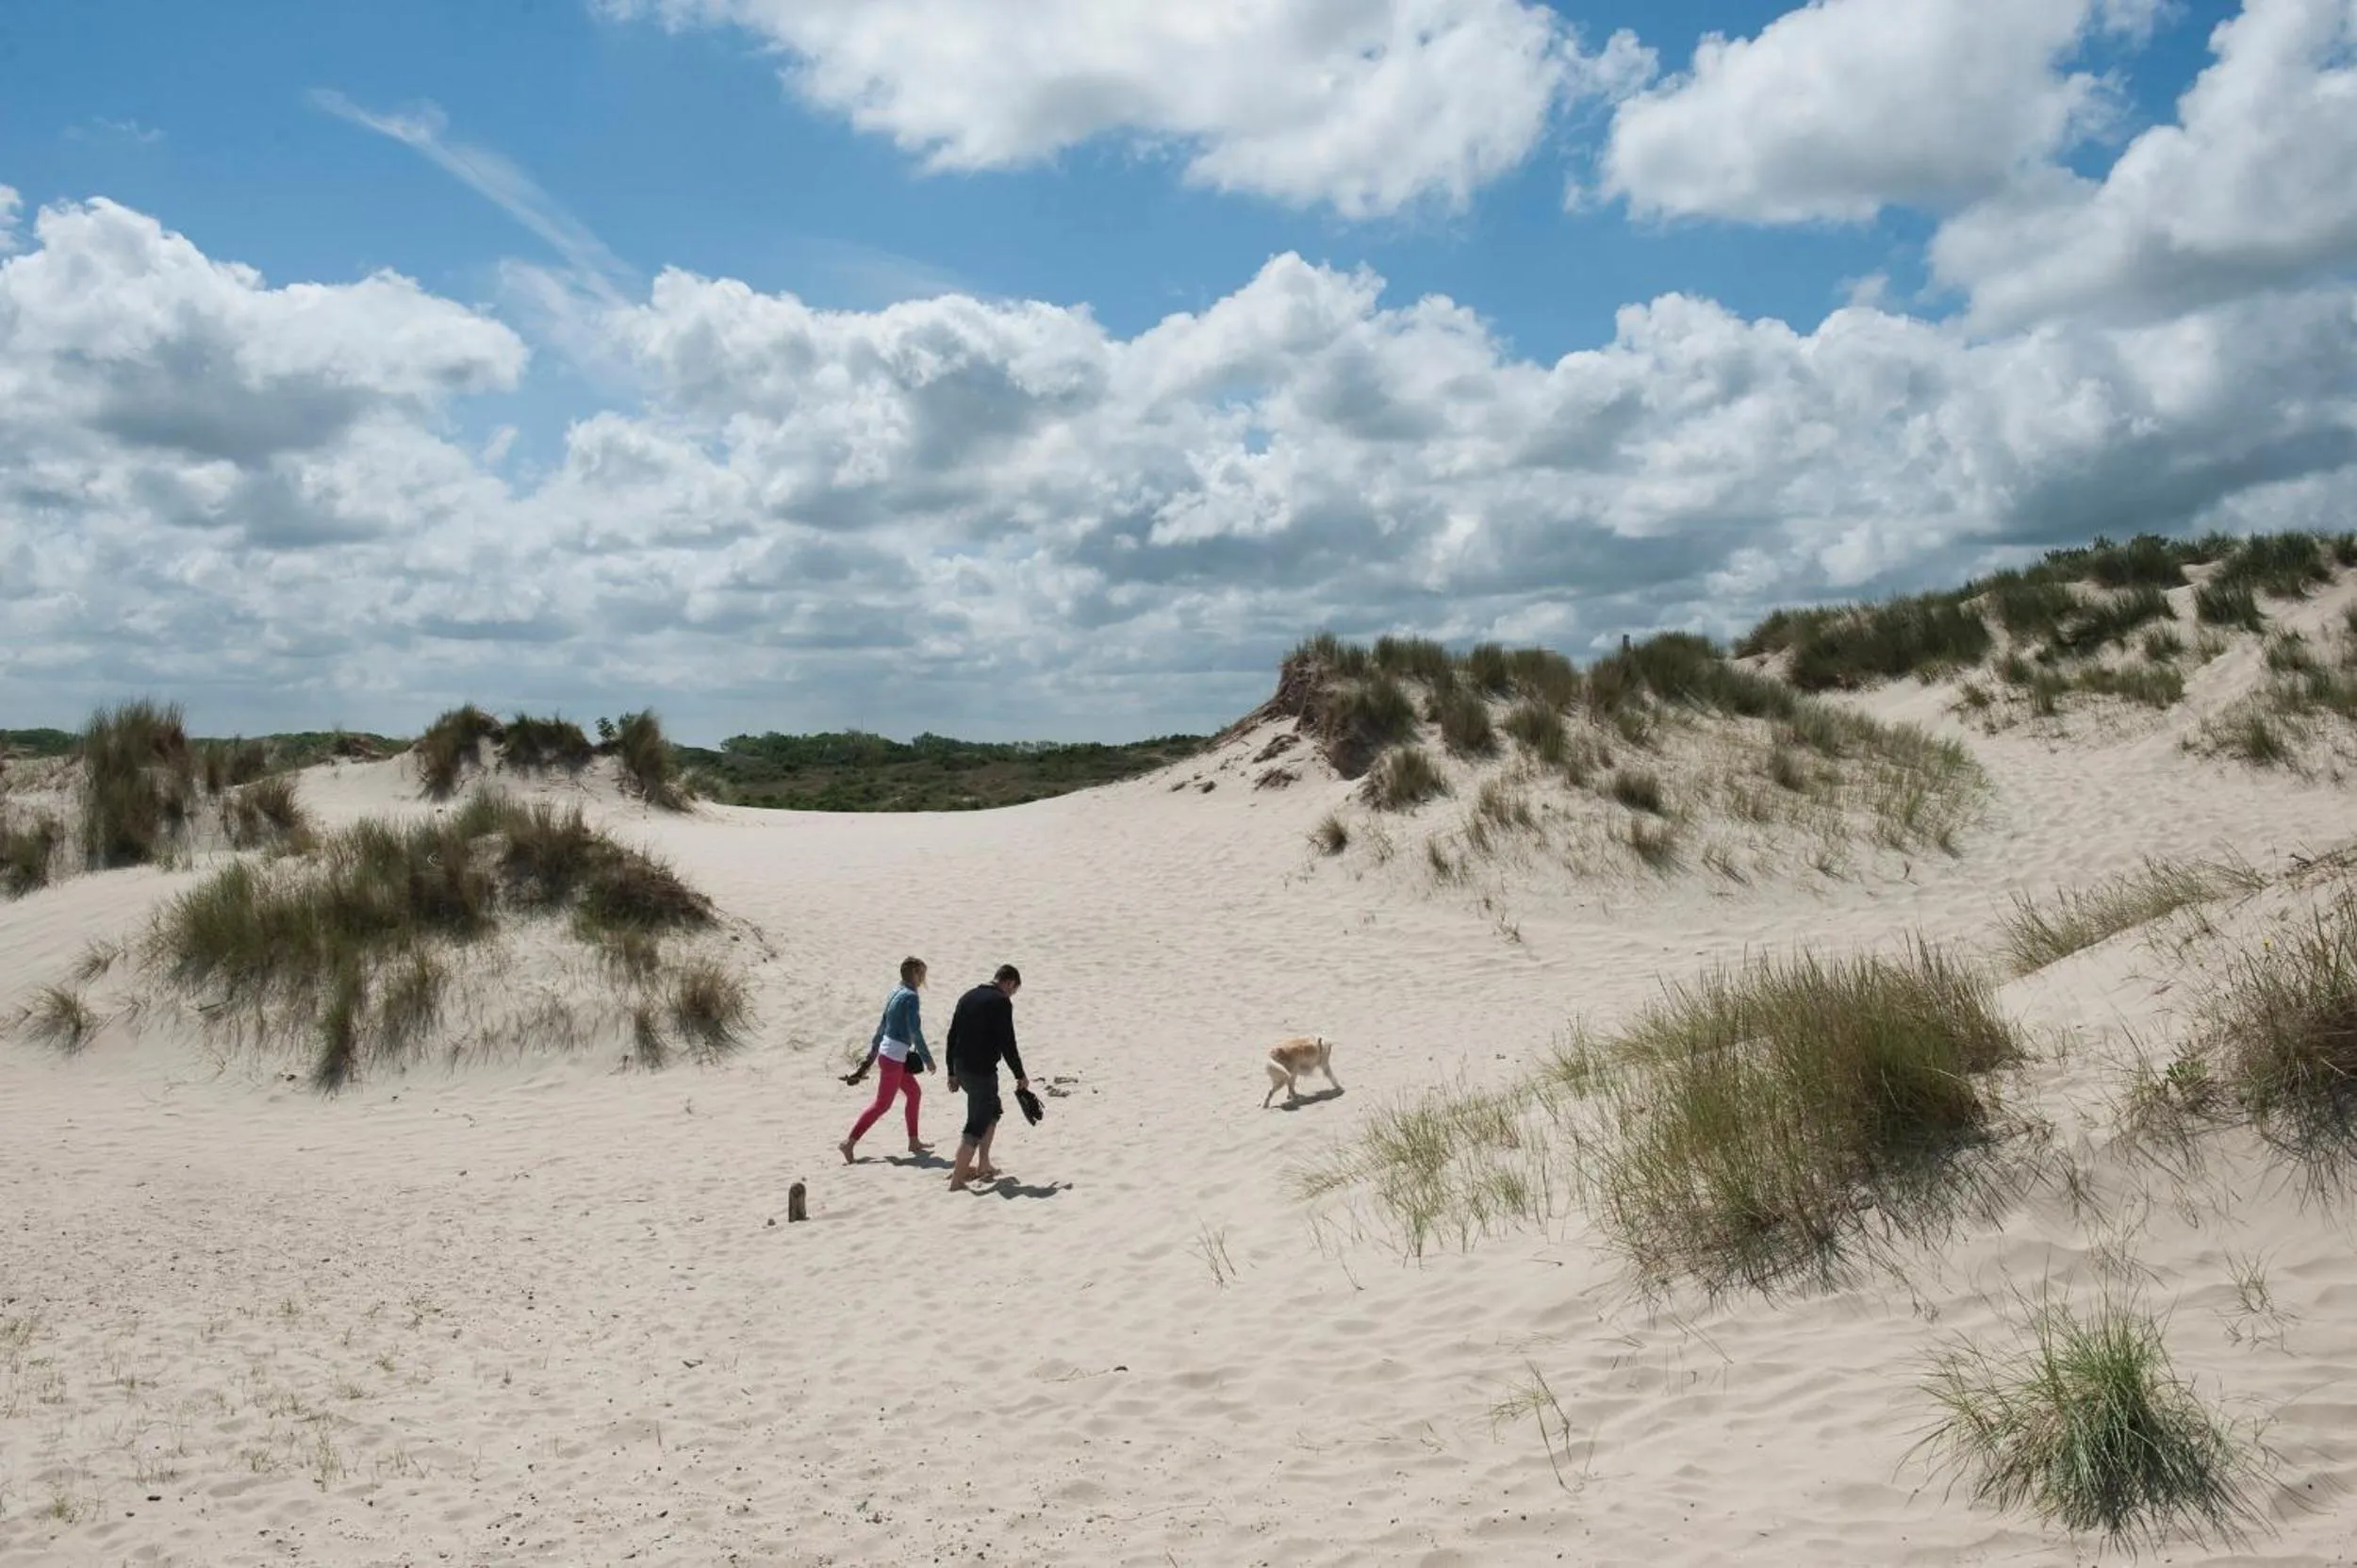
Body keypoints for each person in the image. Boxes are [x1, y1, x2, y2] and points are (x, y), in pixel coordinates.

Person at [838, 957, 934, 1163]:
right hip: (894, 1059)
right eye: (922, 974)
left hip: (889, 1055)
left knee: (914, 1093)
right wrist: (927, 1059)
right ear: (916, 974)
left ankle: (914, 1141)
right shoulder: (911, 997)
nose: (923, 979)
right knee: (882, 1104)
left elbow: (881, 1027)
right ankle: (849, 1142)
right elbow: (915, 1032)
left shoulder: (895, 991)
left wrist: (870, 1059)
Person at [945, 964, 1029, 1191]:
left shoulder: (967, 996)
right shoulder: (1000, 1002)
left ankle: (983, 1164)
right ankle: (957, 1180)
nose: (1011, 995)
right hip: (981, 1071)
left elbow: (951, 1035)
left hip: (962, 1067)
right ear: (1009, 982)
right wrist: (1020, 1074)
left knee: (993, 1111)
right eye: (1013, 990)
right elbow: (1007, 1042)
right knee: (976, 1122)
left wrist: (951, 1071)